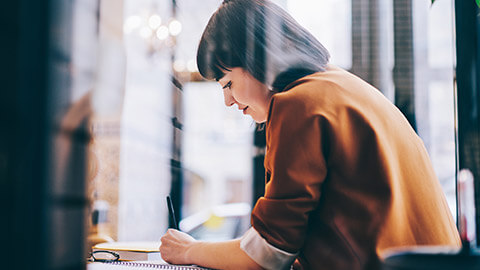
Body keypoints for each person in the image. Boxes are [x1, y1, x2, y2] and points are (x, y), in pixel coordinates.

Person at [160, 0, 461, 269]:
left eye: (227, 84)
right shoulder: (342, 87)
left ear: (258, 59)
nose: (227, 101)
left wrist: (189, 250)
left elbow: (267, 254)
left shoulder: (298, 104)